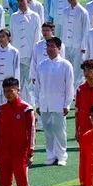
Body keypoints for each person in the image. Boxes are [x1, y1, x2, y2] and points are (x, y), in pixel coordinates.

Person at [0, 77, 35, 186]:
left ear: (18, 90)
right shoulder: (1, 109)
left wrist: (30, 152)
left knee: (22, 185)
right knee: (4, 184)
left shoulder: (26, 109)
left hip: (20, 153)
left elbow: (31, 132)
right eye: (5, 91)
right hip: (4, 152)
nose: (8, 94)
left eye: (10, 91)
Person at [35, 37, 75, 167]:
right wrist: (38, 103)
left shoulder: (65, 65)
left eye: (52, 46)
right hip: (44, 103)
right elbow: (37, 86)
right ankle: (50, 155)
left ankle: (62, 156)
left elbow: (69, 86)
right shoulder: (42, 65)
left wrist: (67, 104)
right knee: (48, 131)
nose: (50, 49)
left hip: (59, 103)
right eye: (48, 46)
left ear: (59, 48)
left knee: (59, 131)